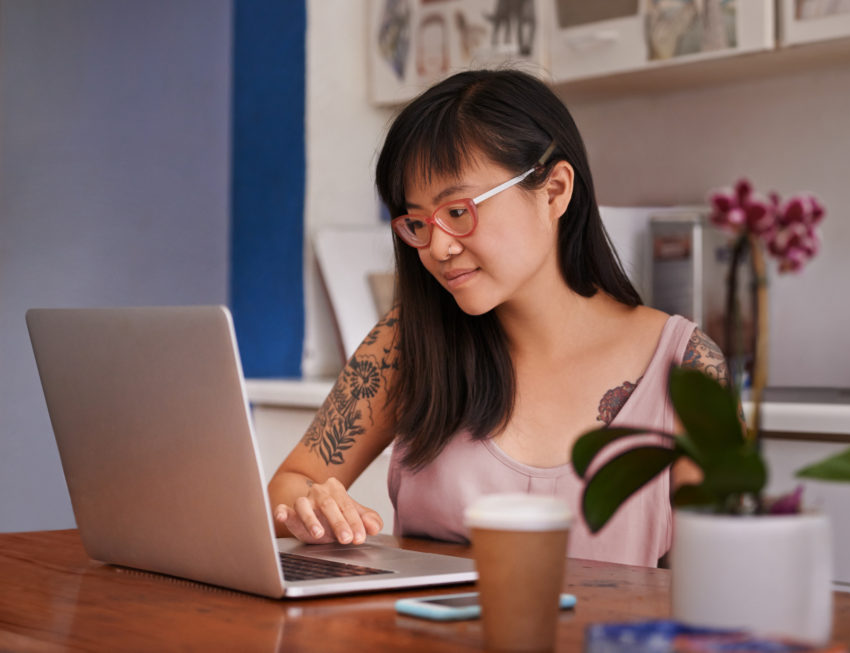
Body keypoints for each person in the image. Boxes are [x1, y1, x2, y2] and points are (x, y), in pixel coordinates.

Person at [268, 68, 727, 567]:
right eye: (418, 222)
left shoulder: (685, 368)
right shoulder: (406, 344)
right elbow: (291, 485)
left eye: (459, 212)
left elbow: (718, 586)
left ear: (555, 191)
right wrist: (312, 509)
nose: (438, 247)